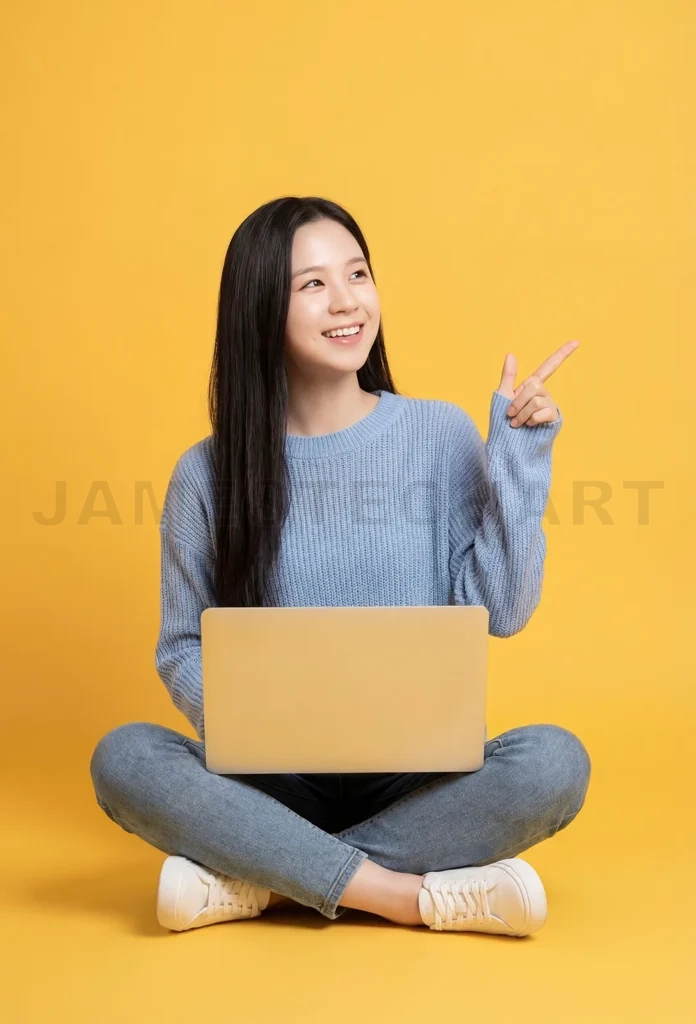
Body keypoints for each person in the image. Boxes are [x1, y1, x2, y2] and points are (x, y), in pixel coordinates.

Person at [89, 195, 591, 936]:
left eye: (357, 272)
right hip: (270, 782)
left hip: (420, 781)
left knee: (556, 763)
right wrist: (260, 723)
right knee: (123, 757)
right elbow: (180, 647)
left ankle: (260, 878)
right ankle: (404, 896)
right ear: (261, 308)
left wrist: (520, 460)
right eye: (313, 284)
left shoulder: (439, 436)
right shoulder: (208, 473)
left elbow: (504, 608)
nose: (348, 300)